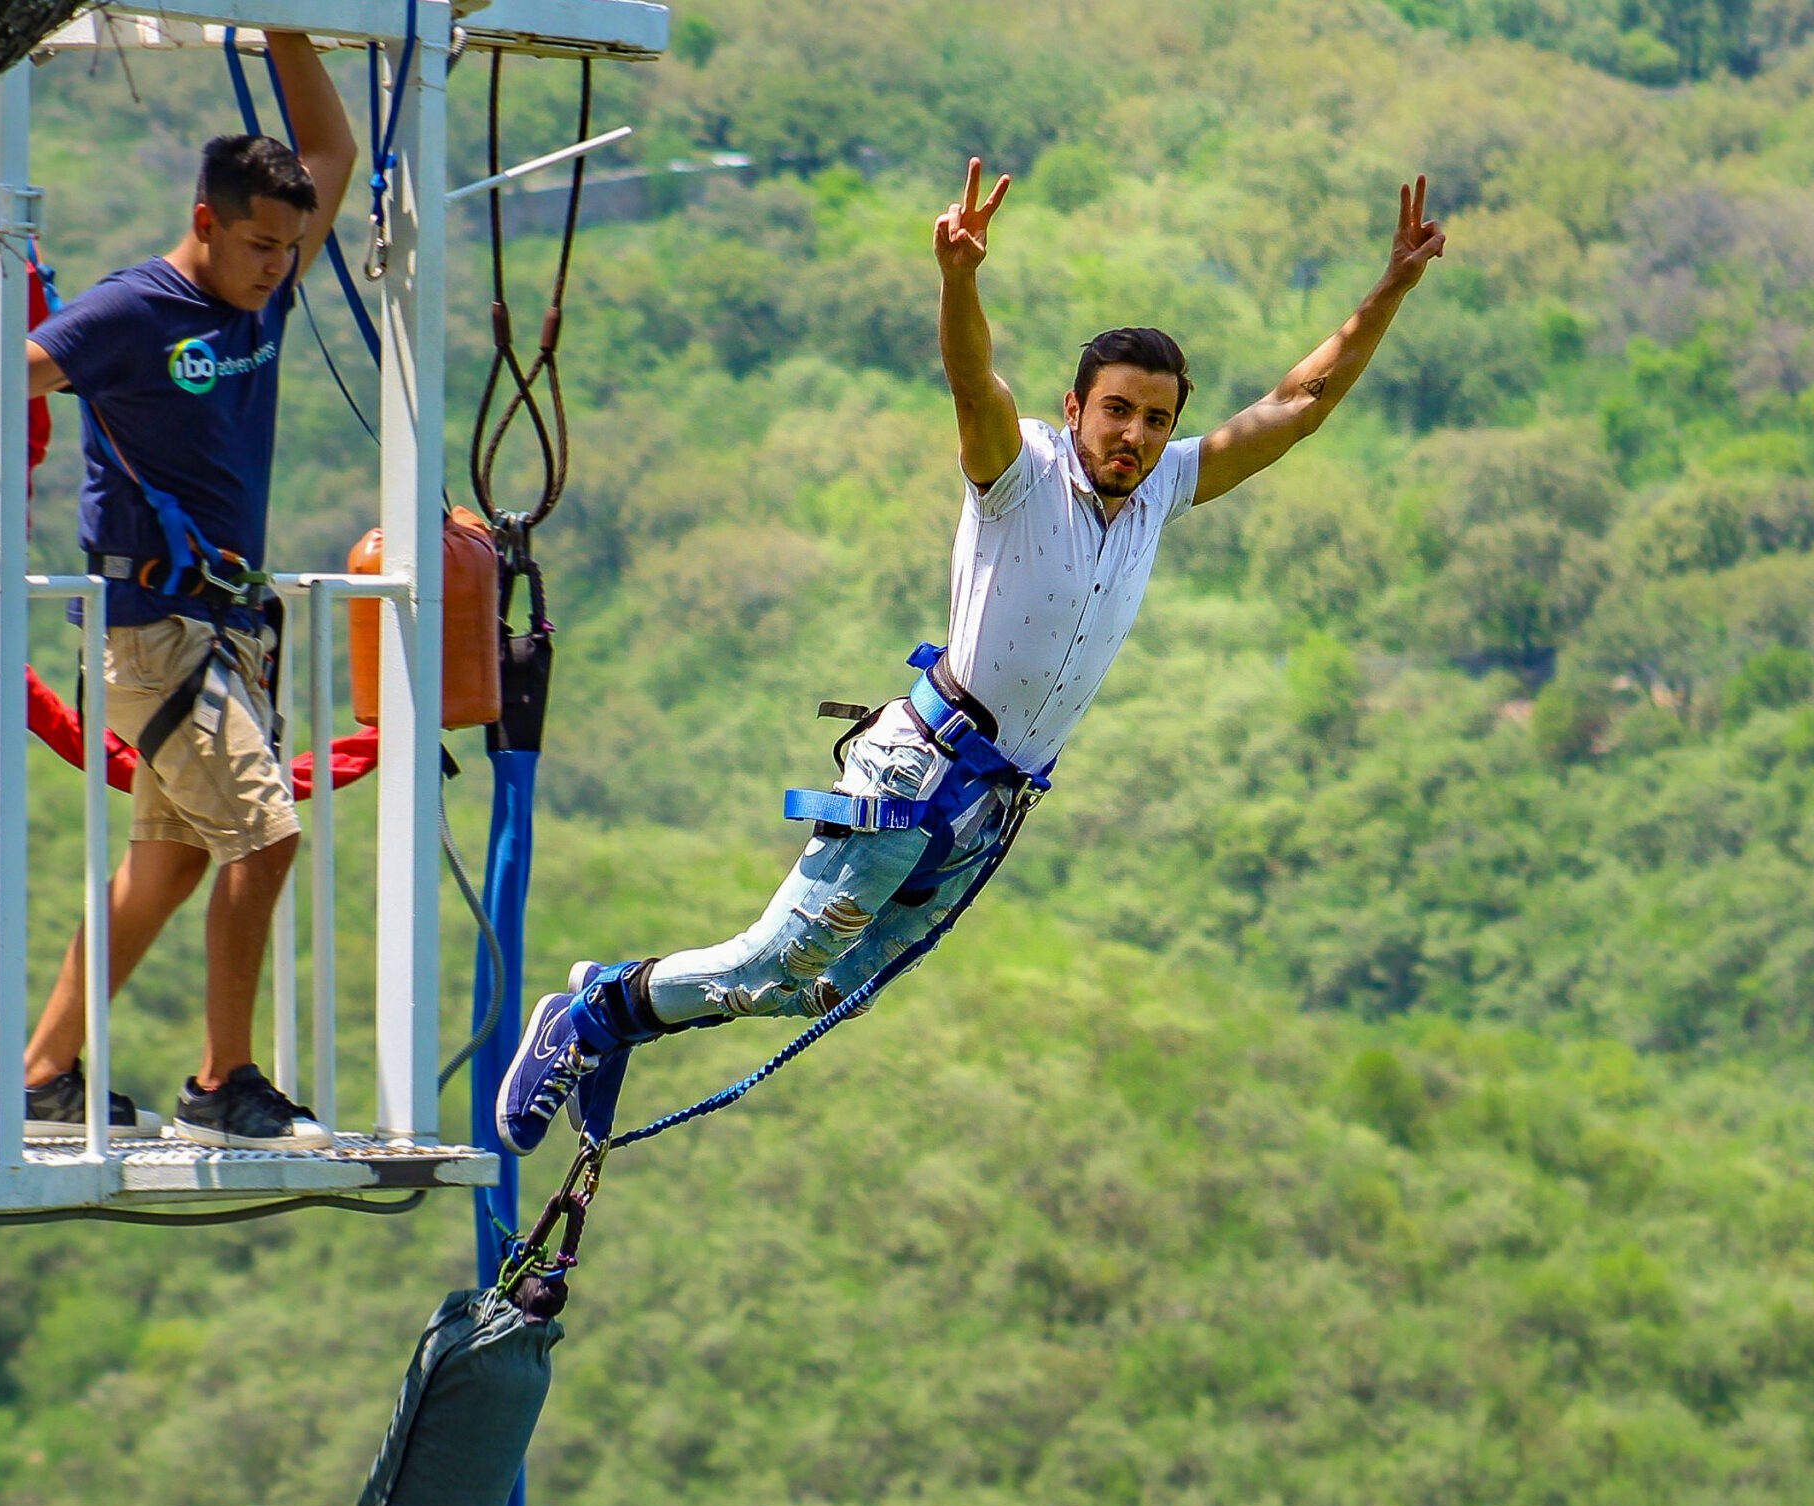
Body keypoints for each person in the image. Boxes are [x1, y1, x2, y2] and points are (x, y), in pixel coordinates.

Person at [497, 160, 1447, 1155]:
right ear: (1074, 407)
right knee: (775, 962)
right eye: (1116, 409)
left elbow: (1299, 402)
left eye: (1155, 418)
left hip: (991, 799)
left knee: (833, 987)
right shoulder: (1022, 467)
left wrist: (1389, 289)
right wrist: (958, 278)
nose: (1133, 434)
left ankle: (625, 1020)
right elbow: (970, 379)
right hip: (922, 763)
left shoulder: (1166, 485)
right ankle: (595, 1012)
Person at [0, 37, 356, 1149]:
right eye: (254, 246)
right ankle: (220, 1082)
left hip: (228, 631)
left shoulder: (263, 296)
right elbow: (19, 372)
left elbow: (330, 149)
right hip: (156, 637)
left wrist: (287, 29)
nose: (275, 269)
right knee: (266, 835)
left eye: (288, 248)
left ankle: (44, 1073)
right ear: (204, 219)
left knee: (172, 860)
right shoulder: (132, 311)